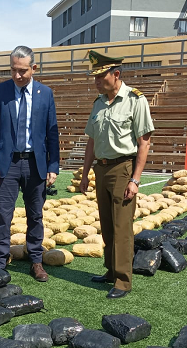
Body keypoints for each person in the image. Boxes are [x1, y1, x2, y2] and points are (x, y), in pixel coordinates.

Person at [80, 50, 154, 299]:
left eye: (101, 76)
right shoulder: (98, 103)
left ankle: (123, 281)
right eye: (95, 77)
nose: (96, 82)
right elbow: (91, 141)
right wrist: (85, 173)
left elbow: (144, 142)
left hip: (123, 168)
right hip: (101, 169)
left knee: (122, 226)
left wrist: (135, 179)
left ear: (116, 74)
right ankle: (111, 271)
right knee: (107, 224)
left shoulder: (135, 100)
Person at [0, 45, 60, 281]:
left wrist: (53, 166)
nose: (17, 75)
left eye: (23, 71)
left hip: (35, 165)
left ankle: (35, 260)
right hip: (7, 165)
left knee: (35, 215)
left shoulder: (45, 94)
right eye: (13, 70)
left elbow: (52, 133)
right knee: (3, 216)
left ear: (34, 68)